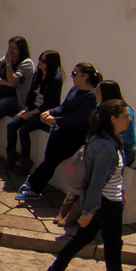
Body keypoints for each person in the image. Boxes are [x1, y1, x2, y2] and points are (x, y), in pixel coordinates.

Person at [41, 100, 136, 271]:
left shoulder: (108, 140)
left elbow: (111, 175)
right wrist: (88, 211)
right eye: (125, 116)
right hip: (106, 203)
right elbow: (97, 182)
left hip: (107, 199)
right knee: (113, 245)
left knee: (82, 238)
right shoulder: (106, 146)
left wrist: (122, 190)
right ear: (113, 119)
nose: (129, 119)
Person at [52, 79, 135, 227]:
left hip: (120, 149)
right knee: (80, 171)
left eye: (98, 92)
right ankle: (65, 209)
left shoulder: (124, 112)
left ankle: (75, 213)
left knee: (93, 178)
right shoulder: (99, 108)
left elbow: (126, 139)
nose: (94, 94)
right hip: (101, 146)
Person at [16, 62, 101, 202]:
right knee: (49, 159)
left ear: (85, 76)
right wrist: (49, 112)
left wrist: (55, 120)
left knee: (52, 160)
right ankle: (33, 185)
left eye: (75, 73)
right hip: (60, 130)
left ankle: (33, 185)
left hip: (75, 135)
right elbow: (63, 107)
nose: (72, 76)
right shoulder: (74, 89)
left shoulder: (91, 96)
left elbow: (78, 118)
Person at [5, 50, 63, 170]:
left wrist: (33, 113)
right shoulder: (38, 74)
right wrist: (26, 109)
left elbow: (52, 102)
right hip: (32, 107)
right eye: (40, 59)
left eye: (44, 61)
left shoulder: (56, 79)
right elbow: (31, 93)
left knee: (24, 130)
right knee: (11, 125)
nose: (40, 63)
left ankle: (26, 161)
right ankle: (11, 155)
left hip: (44, 110)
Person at [0, 36, 35, 123]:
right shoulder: (5, 59)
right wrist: (6, 83)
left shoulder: (27, 63)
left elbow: (13, 81)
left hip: (12, 98)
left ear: (21, 50)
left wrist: (9, 64)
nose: (10, 50)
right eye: (9, 47)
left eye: (13, 48)